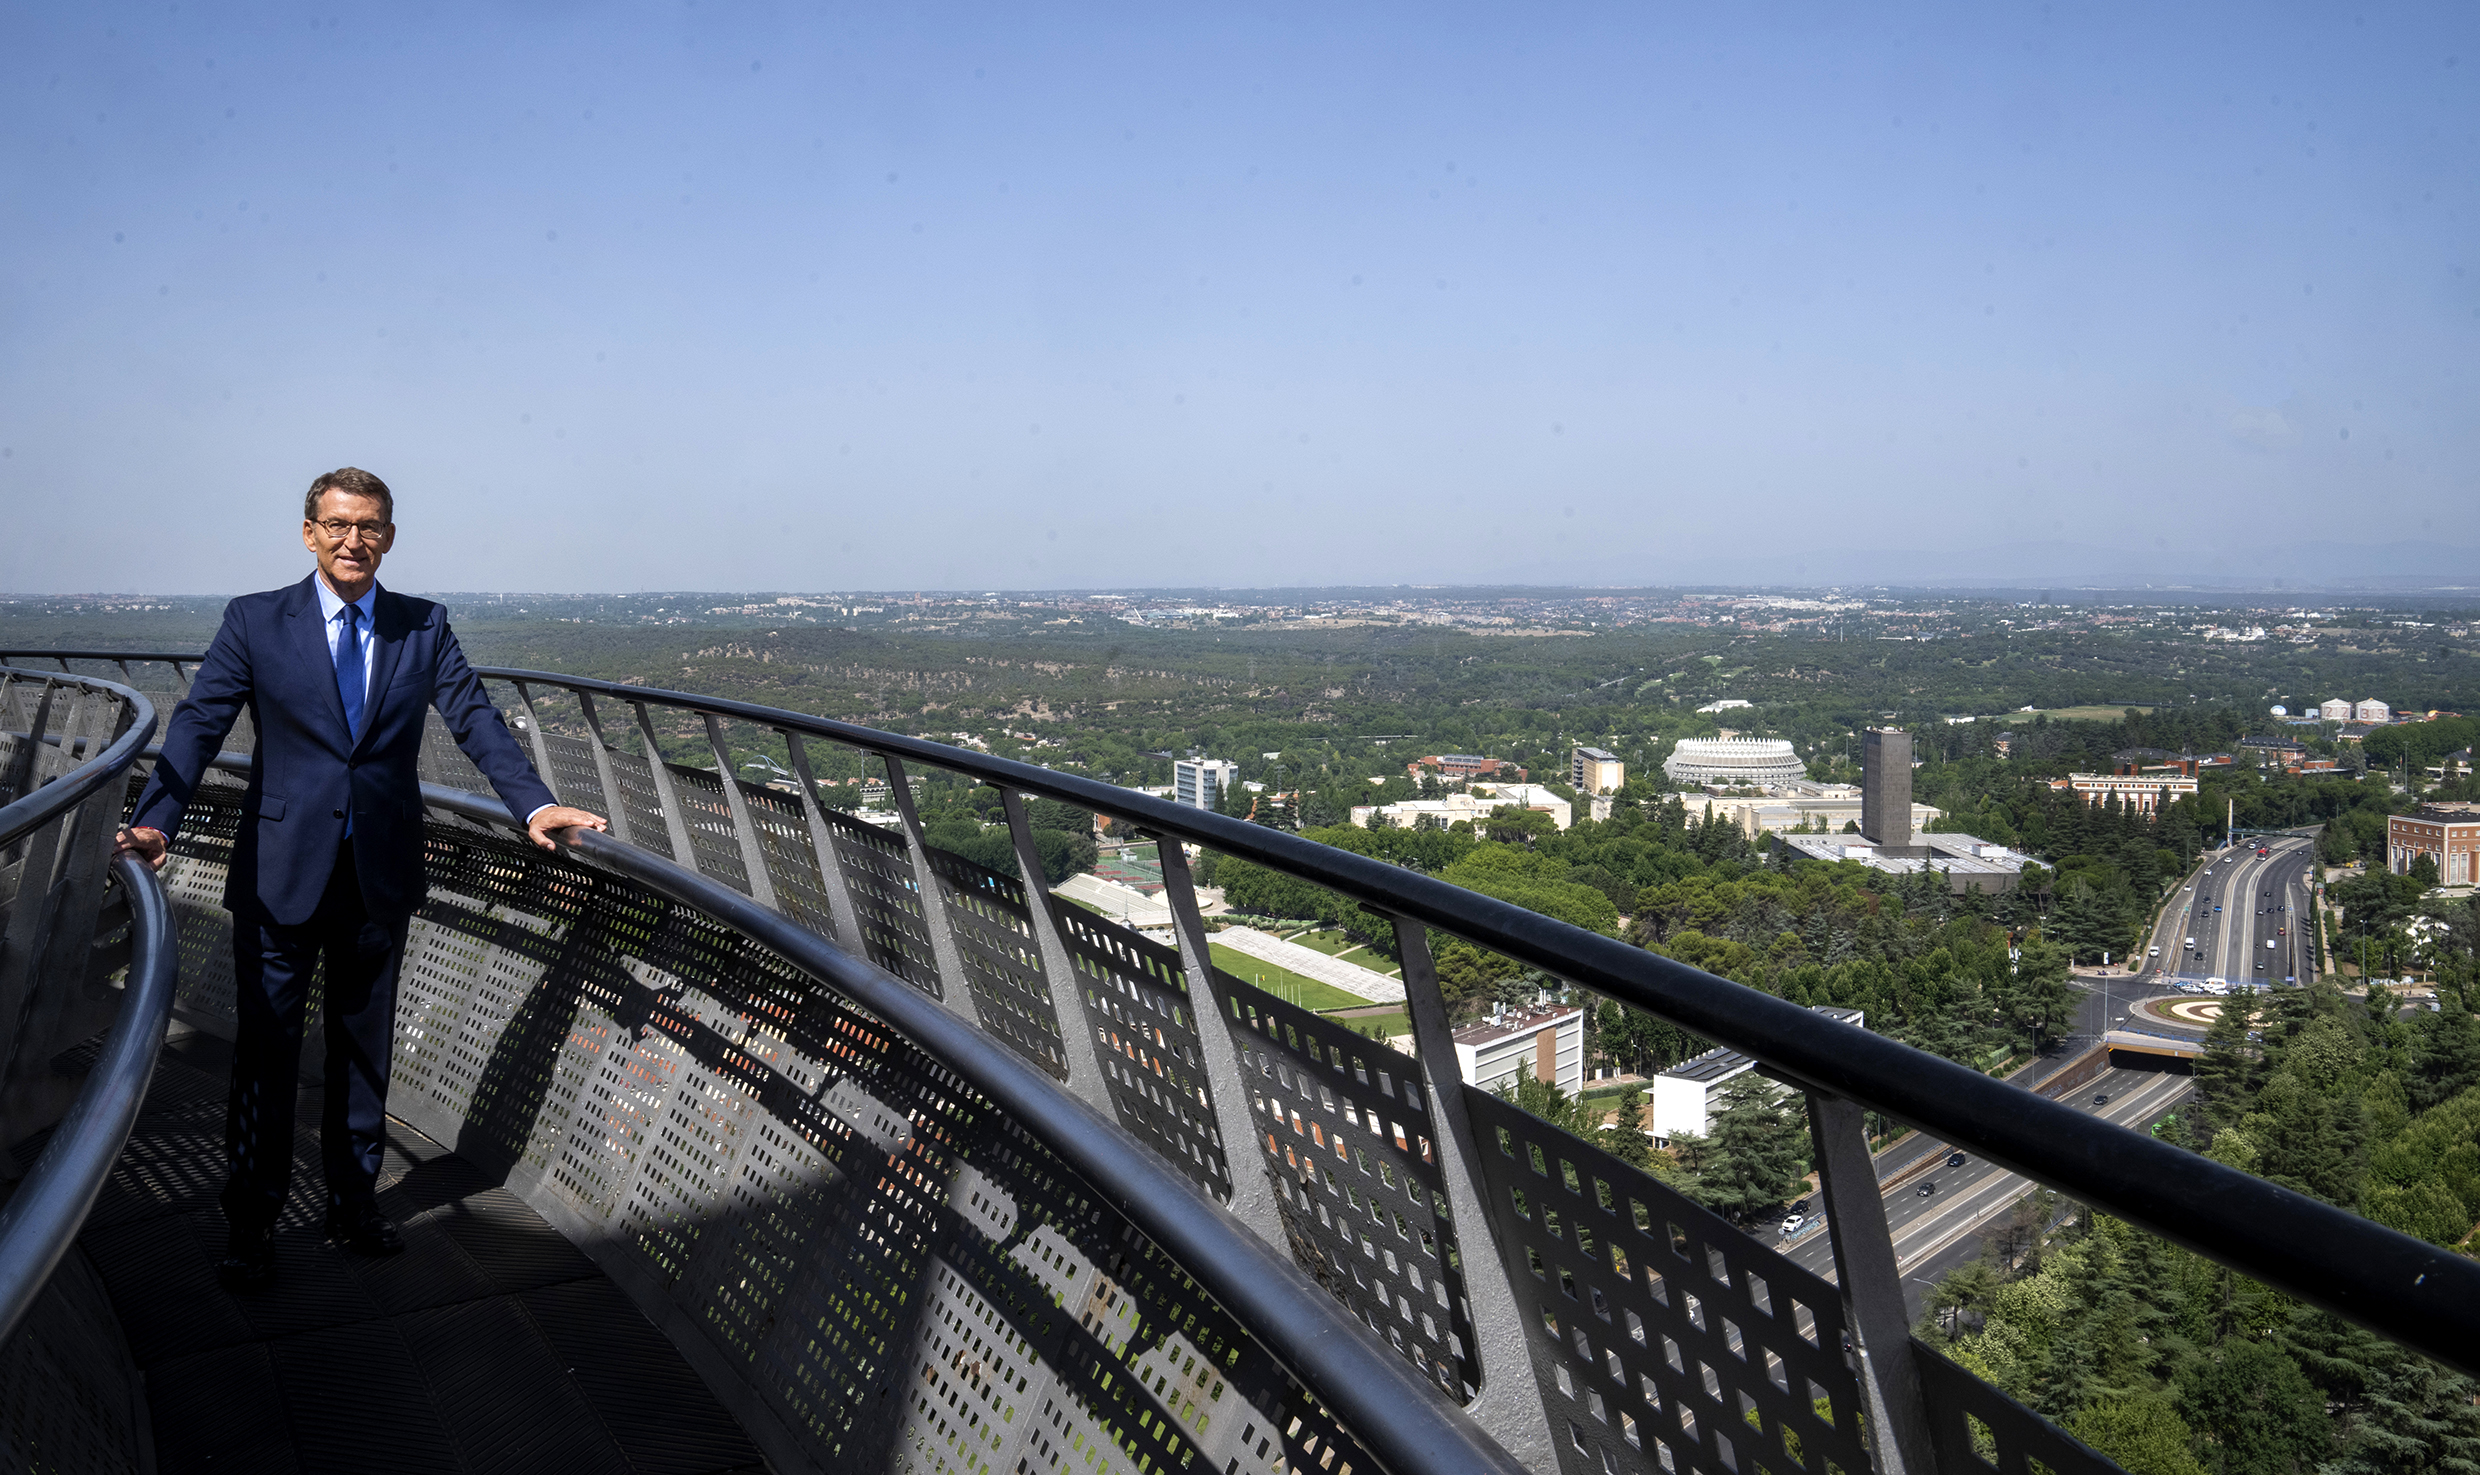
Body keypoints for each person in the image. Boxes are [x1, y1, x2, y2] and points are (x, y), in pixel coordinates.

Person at [115, 467, 607, 1288]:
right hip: (279, 873)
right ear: (308, 532)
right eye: (338, 525)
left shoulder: (424, 627)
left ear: (389, 535)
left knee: (361, 1051)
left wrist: (534, 805)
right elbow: (200, 721)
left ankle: (354, 1205)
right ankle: (252, 1219)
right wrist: (159, 817)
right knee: (266, 1053)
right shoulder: (255, 621)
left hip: (377, 874)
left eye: (370, 525)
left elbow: (475, 717)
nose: (354, 540)